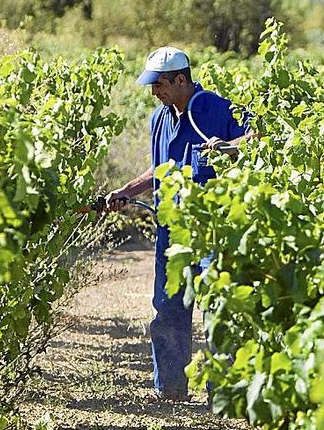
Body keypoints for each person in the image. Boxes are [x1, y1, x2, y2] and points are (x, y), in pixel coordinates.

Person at [104, 47, 250, 401]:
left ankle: (224, 394)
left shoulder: (219, 108)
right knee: (167, 307)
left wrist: (231, 147)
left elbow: (260, 136)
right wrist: (127, 190)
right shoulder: (160, 118)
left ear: (180, 79)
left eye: (159, 85)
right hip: (171, 230)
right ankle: (169, 389)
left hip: (213, 228)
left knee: (218, 308)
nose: (155, 92)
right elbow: (160, 168)